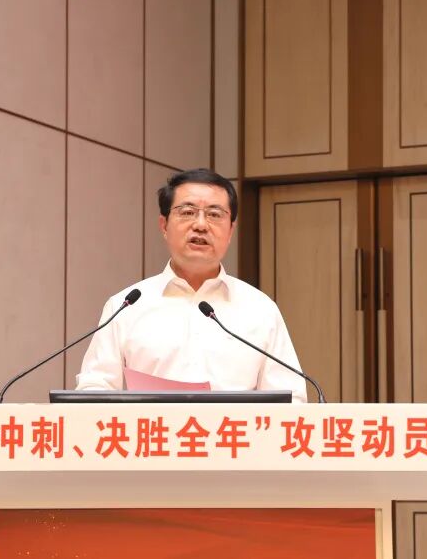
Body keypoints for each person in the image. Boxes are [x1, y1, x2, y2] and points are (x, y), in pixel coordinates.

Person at [75, 168, 308, 402]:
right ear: (164, 225)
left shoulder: (260, 309)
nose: (201, 225)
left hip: (233, 428)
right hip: (153, 427)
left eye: (214, 214)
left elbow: (292, 400)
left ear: (231, 230)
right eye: (187, 212)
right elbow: (94, 388)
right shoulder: (126, 306)